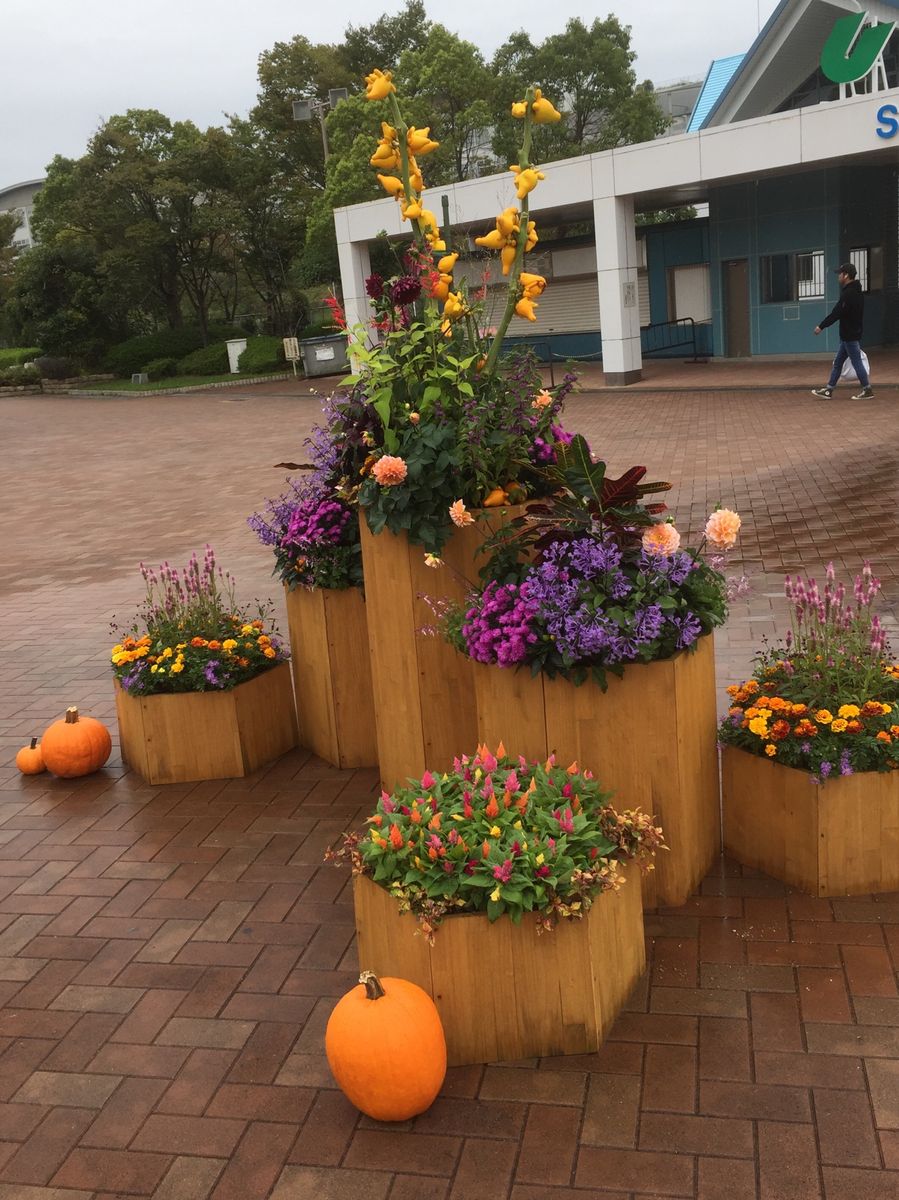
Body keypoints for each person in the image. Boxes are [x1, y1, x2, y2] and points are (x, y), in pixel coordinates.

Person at [811, 263, 873, 400]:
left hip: (849, 335)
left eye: (840, 273)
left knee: (856, 362)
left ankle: (867, 389)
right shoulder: (856, 291)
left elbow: (836, 313)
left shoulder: (849, 294)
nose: (838, 276)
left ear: (846, 275)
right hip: (850, 334)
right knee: (838, 363)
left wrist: (821, 326)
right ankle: (829, 389)